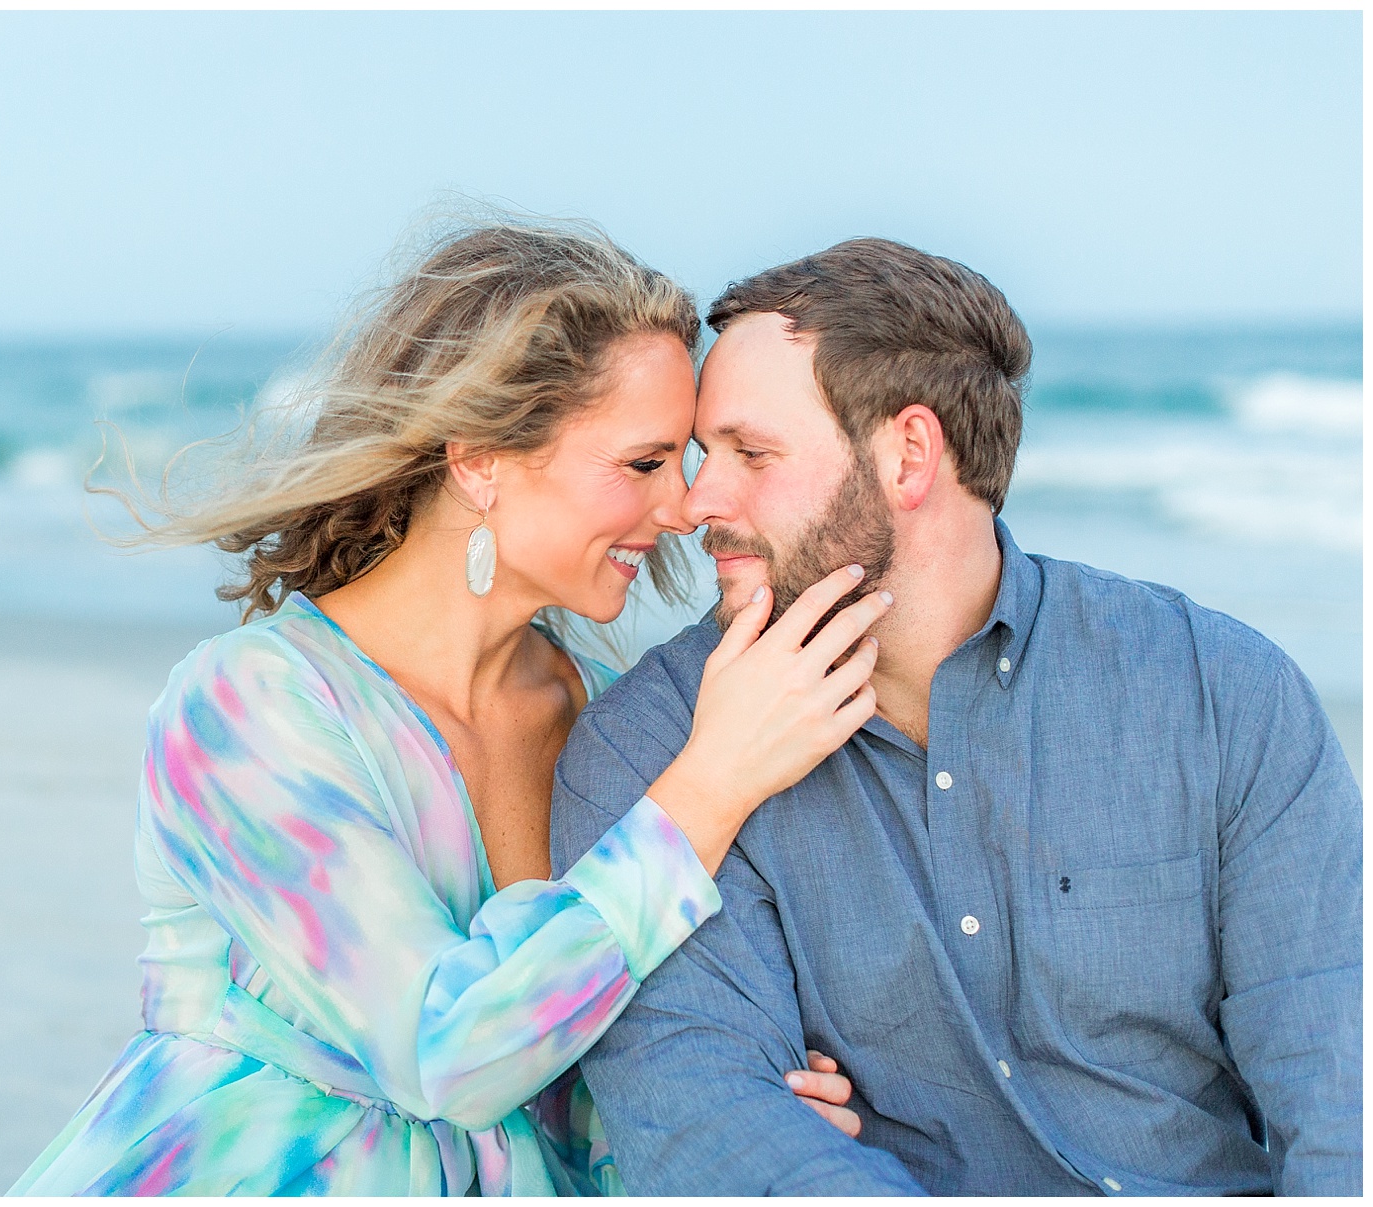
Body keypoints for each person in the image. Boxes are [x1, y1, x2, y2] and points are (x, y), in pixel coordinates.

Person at [8, 219, 885, 1196]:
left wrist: (735, 1100)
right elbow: (448, 1050)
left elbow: (580, 1054)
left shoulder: (602, 718)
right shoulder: (248, 709)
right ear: (480, 462)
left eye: (680, 463)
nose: (683, 508)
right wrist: (712, 785)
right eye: (643, 464)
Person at [550, 237, 1363, 1196]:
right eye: (699, 455)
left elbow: (1338, 1086)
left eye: (750, 454)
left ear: (909, 454)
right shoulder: (648, 750)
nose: (693, 503)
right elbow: (712, 1124)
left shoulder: (1220, 694)